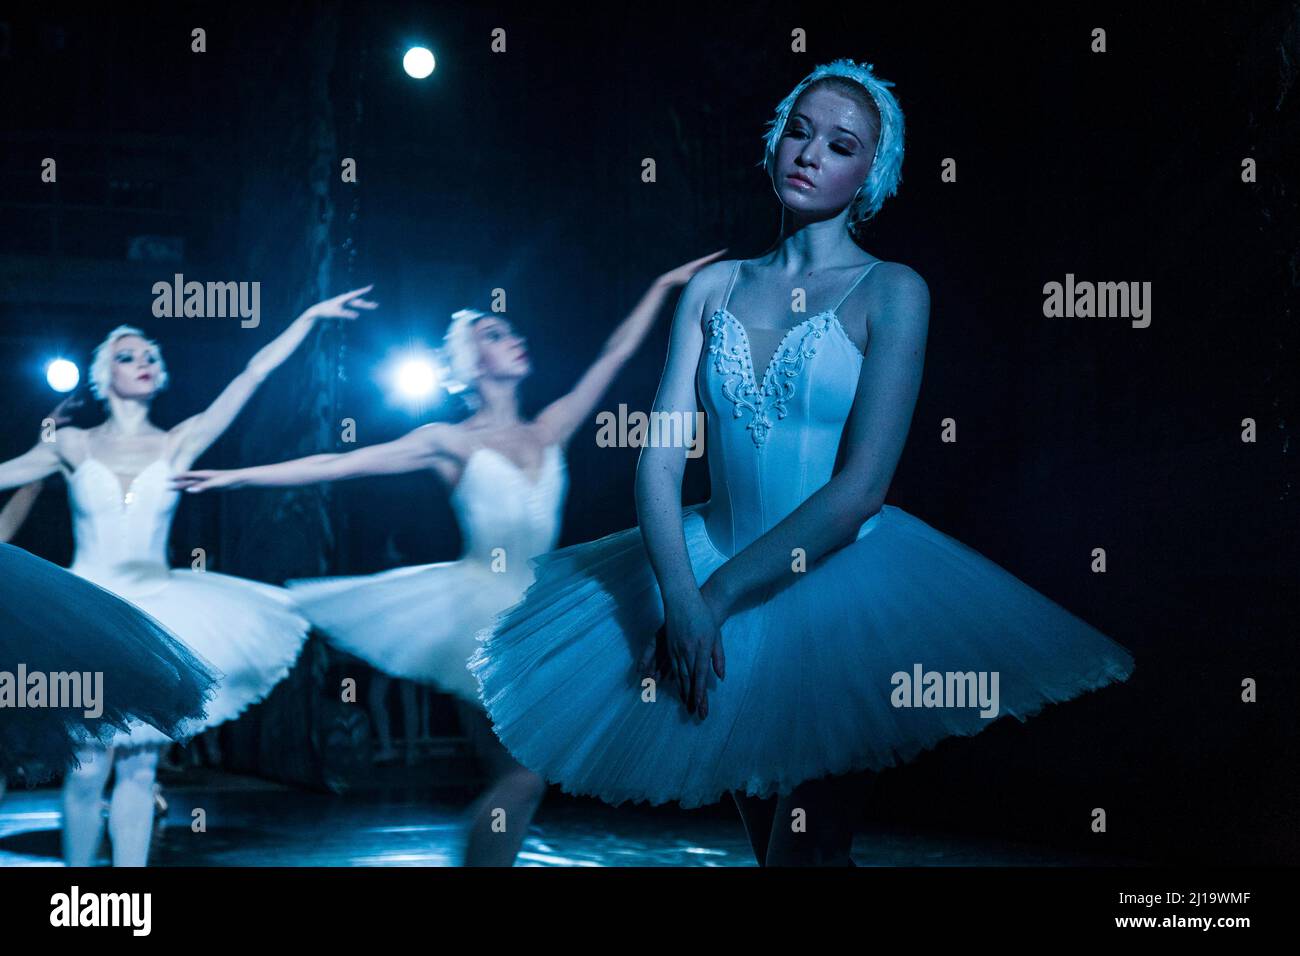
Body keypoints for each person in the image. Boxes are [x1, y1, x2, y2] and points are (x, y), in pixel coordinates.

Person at [468, 59, 1137, 866]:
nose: (811, 152)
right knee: (786, 861)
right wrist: (681, 598)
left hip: (840, 591)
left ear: (871, 175)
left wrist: (712, 599)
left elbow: (860, 491)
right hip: (703, 578)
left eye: (841, 143)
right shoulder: (712, 288)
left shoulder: (893, 291)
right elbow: (658, 457)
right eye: (799, 129)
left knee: (801, 859)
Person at [172, 251, 723, 865]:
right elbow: (337, 465)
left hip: (540, 612)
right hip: (472, 616)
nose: (513, 337)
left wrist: (660, 284)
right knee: (520, 777)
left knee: (523, 778)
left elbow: (613, 356)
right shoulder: (447, 442)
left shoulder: (548, 429)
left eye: (509, 330)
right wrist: (235, 479)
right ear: (471, 362)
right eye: (493, 334)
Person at [0, 285, 374, 865]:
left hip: (157, 612)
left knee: (139, 766)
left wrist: (309, 317)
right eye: (128, 356)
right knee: (84, 771)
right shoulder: (71, 443)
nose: (144, 363)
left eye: (150, 356)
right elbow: (5, 473)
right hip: (84, 615)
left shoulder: (180, 441)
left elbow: (251, 376)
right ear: (104, 376)